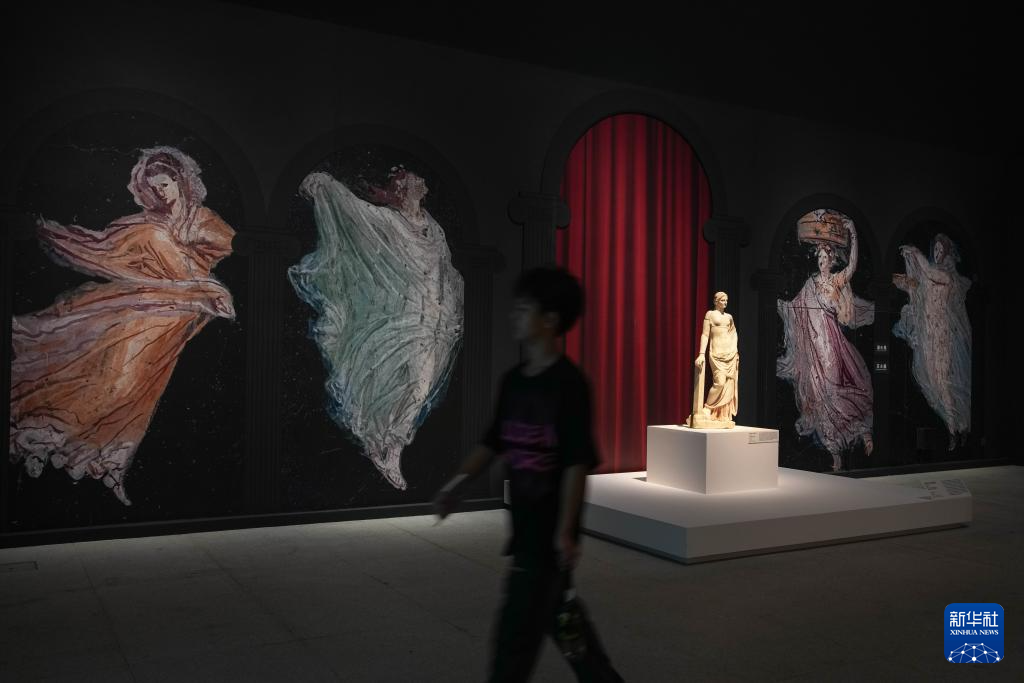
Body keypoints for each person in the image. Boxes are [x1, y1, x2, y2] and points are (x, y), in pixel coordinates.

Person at [10, 146, 235, 505]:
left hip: (177, 310)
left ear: (180, 181)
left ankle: (84, 446)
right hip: (145, 302)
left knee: (128, 376)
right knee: (105, 362)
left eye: (165, 184)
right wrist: (50, 232)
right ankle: (50, 430)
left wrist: (202, 289)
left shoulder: (207, 222)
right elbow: (97, 247)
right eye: (154, 187)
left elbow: (220, 256)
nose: (161, 192)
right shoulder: (143, 227)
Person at [434, 266, 622, 682]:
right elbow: (493, 441)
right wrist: (458, 483)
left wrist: (565, 531)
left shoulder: (570, 385)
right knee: (567, 627)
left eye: (523, 309)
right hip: (526, 532)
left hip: (545, 541)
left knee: (513, 644)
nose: (513, 316)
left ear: (550, 320)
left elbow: (576, 462)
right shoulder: (513, 382)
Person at [290, 167, 464, 490]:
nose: (420, 183)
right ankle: (378, 444)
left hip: (431, 321)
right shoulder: (389, 221)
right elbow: (357, 214)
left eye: (418, 181)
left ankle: (392, 448)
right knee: (388, 380)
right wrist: (326, 187)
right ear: (402, 189)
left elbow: (445, 271)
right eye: (412, 180)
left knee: (419, 386)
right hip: (400, 318)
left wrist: (449, 309)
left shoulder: (434, 229)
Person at [777, 211, 874, 471]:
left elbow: (852, 266)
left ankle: (860, 428)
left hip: (832, 346)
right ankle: (834, 452)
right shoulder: (810, 284)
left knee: (832, 392)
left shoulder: (836, 281)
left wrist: (853, 234)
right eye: (819, 258)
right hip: (813, 349)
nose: (821, 262)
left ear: (831, 260)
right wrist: (781, 306)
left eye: (825, 258)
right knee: (819, 397)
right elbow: (796, 307)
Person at [892, 233, 971, 450]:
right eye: (934, 249)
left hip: (941, 334)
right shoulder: (928, 278)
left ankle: (954, 431)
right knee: (933, 382)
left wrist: (915, 252)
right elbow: (914, 287)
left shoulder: (947, 277)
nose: (936, 254)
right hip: (928, 333)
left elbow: (927, 271)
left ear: (946, 254)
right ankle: (957, 426)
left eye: (940, 250)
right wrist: (900, 278)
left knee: (943, 382)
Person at [689, 291, 738, 427]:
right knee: (720, 382)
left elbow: (733, 334)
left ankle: (720, 415)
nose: (725, 303)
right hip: (716, 353)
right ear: (716, 301)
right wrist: (701, 353)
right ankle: (707, 407)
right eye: (722, 300)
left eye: (726, 300)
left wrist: (734, 351)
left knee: (727, 384)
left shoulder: (729, 317)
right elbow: (705, 335)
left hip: (729, 354)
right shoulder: (710, 314)